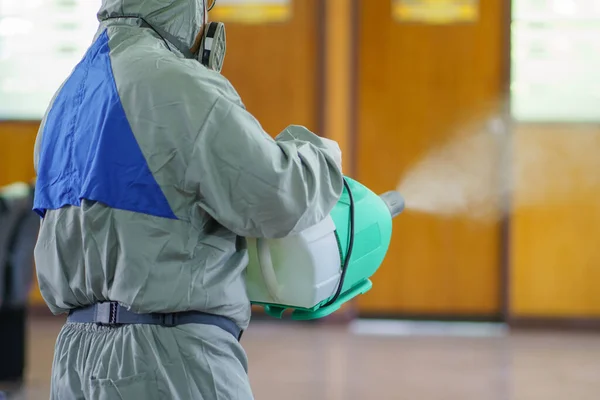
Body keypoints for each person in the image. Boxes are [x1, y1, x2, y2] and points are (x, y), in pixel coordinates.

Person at [32, 0, 344, 398]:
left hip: (75, 361)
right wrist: (320, 156)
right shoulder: (177, 83)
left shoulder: (65, 97)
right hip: (169, 362)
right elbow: (280, 197)